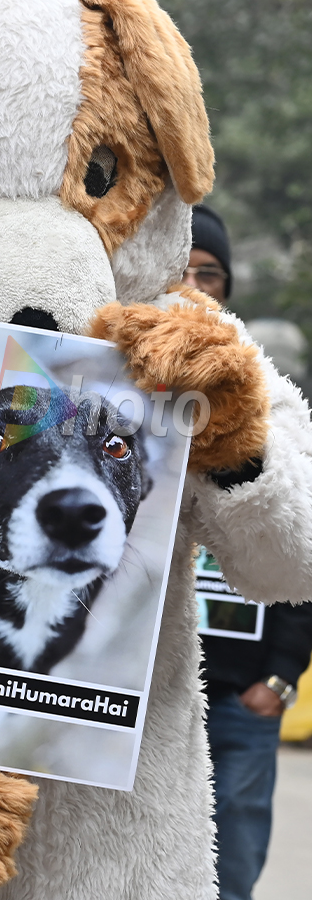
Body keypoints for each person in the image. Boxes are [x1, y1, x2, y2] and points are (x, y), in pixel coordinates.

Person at [184, 203, 312, 900]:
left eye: (211, 275)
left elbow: (302, 553)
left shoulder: (270, 404)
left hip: (242, 697)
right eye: (184, 270)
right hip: (150, 692)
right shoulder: (122, 387)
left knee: (231, 874)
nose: (196, 287)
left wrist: (281, 681)